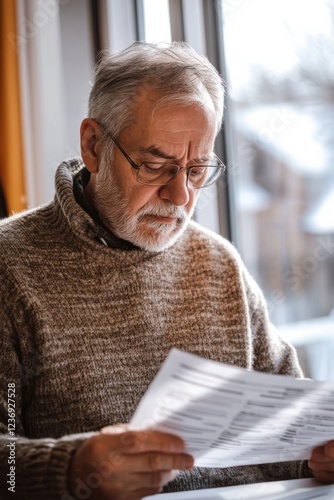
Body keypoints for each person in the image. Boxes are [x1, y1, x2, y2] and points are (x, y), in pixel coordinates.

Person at [0, 41, 333, 500]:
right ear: (94, 146)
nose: (180, 197)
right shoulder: (9, 266)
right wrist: (72, 469)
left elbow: (290, 432)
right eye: (156, 166)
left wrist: (316, 452)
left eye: (196, 171)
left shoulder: (219, 265)